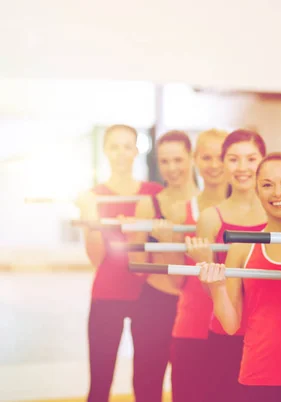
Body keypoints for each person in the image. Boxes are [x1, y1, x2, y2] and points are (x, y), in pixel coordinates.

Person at [195, 152, 281, 402]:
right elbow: (230, 325)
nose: (278, 193)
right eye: (267, 185)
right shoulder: (242, 249)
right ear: (257, 190)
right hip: (258, 375)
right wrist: (217, 288)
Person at [75, 124, 163, 402]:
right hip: (107, 294)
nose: (121, 153)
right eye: (114, 146)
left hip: (148, 294)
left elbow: (160, 248)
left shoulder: (154, 192)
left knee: (148, 386)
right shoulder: (93, 196)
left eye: (127, 146)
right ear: (105, 151)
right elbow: (96, 258)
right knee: (100, 384)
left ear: (136, 150)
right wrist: (91, 220)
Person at [187, 129, 268, 402]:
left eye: (251, 159)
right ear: (223, 163)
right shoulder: (211, 218)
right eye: (234, 159)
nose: (242, 168)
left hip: (269, 332)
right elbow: (212, 292)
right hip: (226, 330)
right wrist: (204, 262)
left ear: (263, 160)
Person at [127, 130, 200, 402]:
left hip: (195, 307)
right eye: (165, 161)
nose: (172, 168)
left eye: (178, 160)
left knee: (190, 387)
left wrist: (171, 242)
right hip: (154, 306)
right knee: (147, 386)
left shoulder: (207, 206)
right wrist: (138, 235)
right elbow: (135, 264)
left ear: (192, 158)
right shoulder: (149, 205)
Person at [169, 129, 229, 402]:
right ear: (195, 159)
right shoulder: (181, 211)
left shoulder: (253, 211)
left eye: (221, 157)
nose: (214, 165)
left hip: (232, 327)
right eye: (207, 157)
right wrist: (167, 240)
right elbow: (174, 282)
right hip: (191, 327)